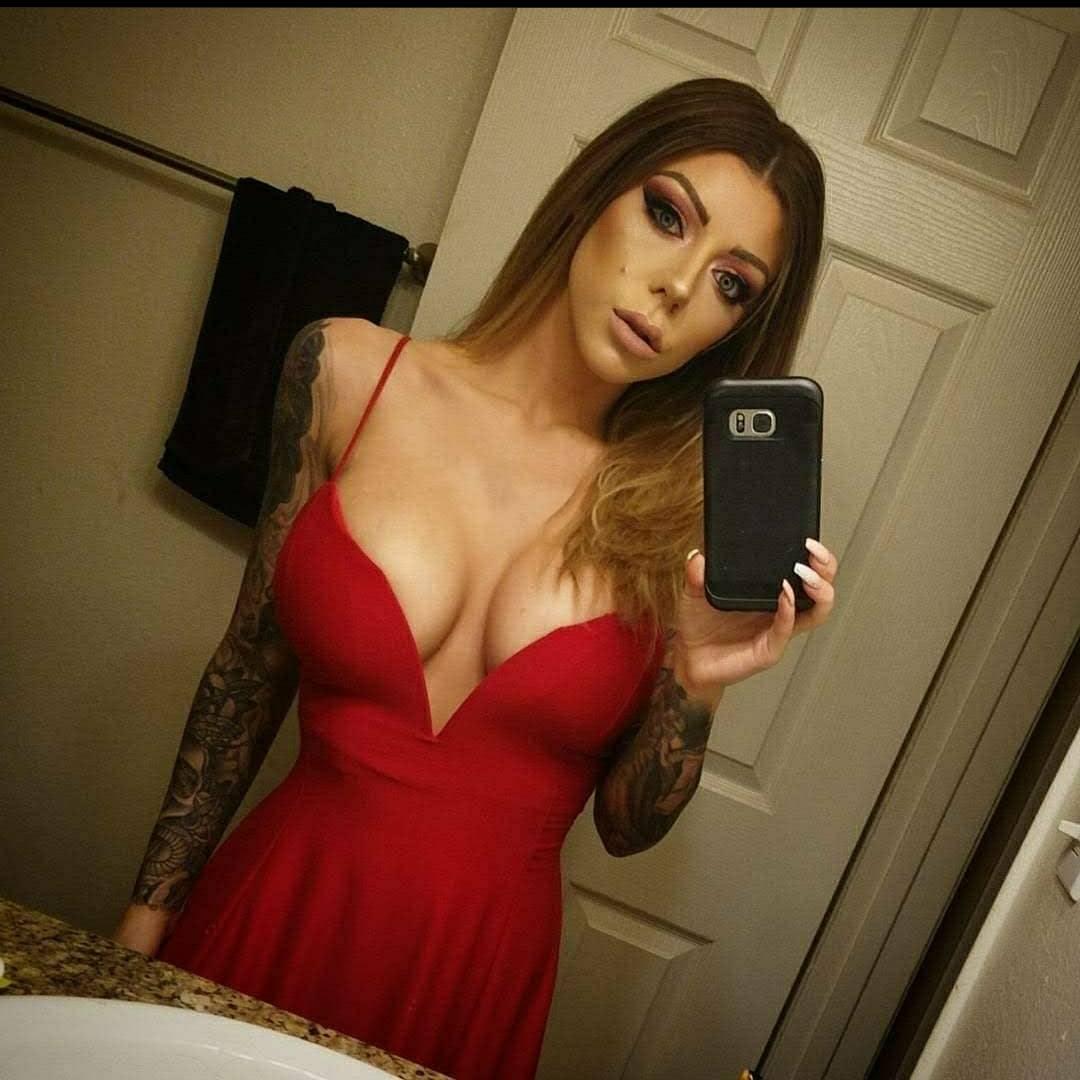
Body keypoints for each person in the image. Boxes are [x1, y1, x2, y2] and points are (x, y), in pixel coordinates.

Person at [113, 76, 837, 1080]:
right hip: (272, 912)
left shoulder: (685, 523)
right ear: (596, 190)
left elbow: (626, 828)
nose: (679, 286)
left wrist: (699, 680)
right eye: (668, 215)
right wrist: (138, 933)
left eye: (732, 283)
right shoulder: (345, 374)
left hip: (470, 983)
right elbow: (246, 674)